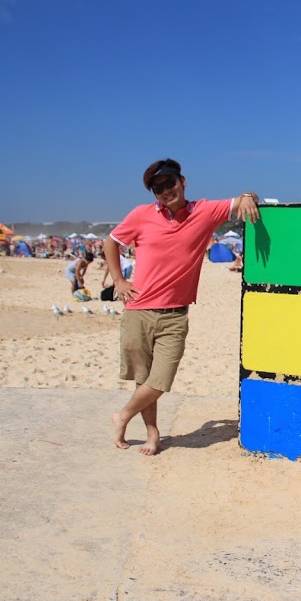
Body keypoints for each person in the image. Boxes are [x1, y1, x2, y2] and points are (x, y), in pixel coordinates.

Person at [104, 158, 260, 456]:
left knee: (160, 380)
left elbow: (242, 199)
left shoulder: (204, 211)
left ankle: (122, 415)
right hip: (138, 310)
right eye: (157, 188)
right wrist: (119, 281)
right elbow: (110, 243)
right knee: (143, 378)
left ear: (182, 181)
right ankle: (153, 434)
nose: (165, 191)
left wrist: (250, 197)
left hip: (176, 314)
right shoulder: (140, 215)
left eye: (169, 183)